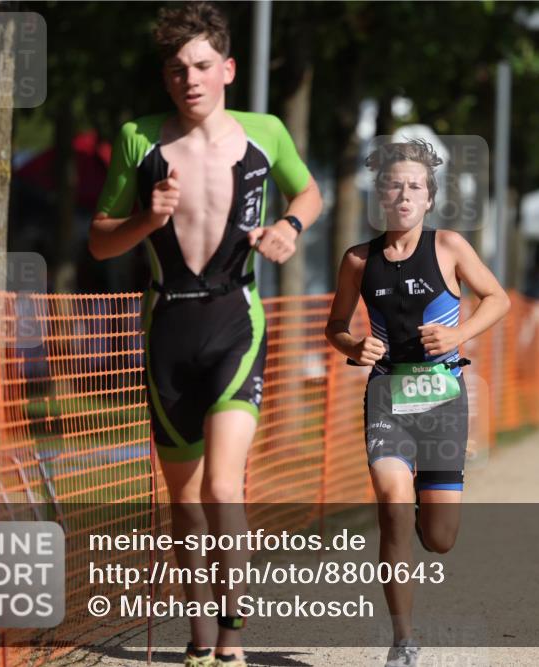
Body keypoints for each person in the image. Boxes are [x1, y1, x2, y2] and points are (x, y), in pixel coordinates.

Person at [89, 4, 323, 665]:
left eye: (198, 66)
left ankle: (232, 639)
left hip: (234, 322)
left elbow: (308, 194)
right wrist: (145, 218)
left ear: (226, 69)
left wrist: (288, 229)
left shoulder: (266, 132)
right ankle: (199, 641)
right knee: (185, 503)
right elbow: (100, 240)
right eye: (174, 69)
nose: (187, 79)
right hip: (167, 328)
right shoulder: (138, 139)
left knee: (224, 488)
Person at [324, 140, 510, 666]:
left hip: (442, 403)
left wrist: (459, 336)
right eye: (394, 185)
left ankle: (431, 512)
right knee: (391, 510)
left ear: (429, 199)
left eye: (415, 186)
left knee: (441, 537)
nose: (404, 194)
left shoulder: (449, 247)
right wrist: (354, 346)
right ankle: (403, 640)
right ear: (380, 195)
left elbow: (498, 299)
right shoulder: (358, 260)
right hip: (386, 397)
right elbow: (335, 326)